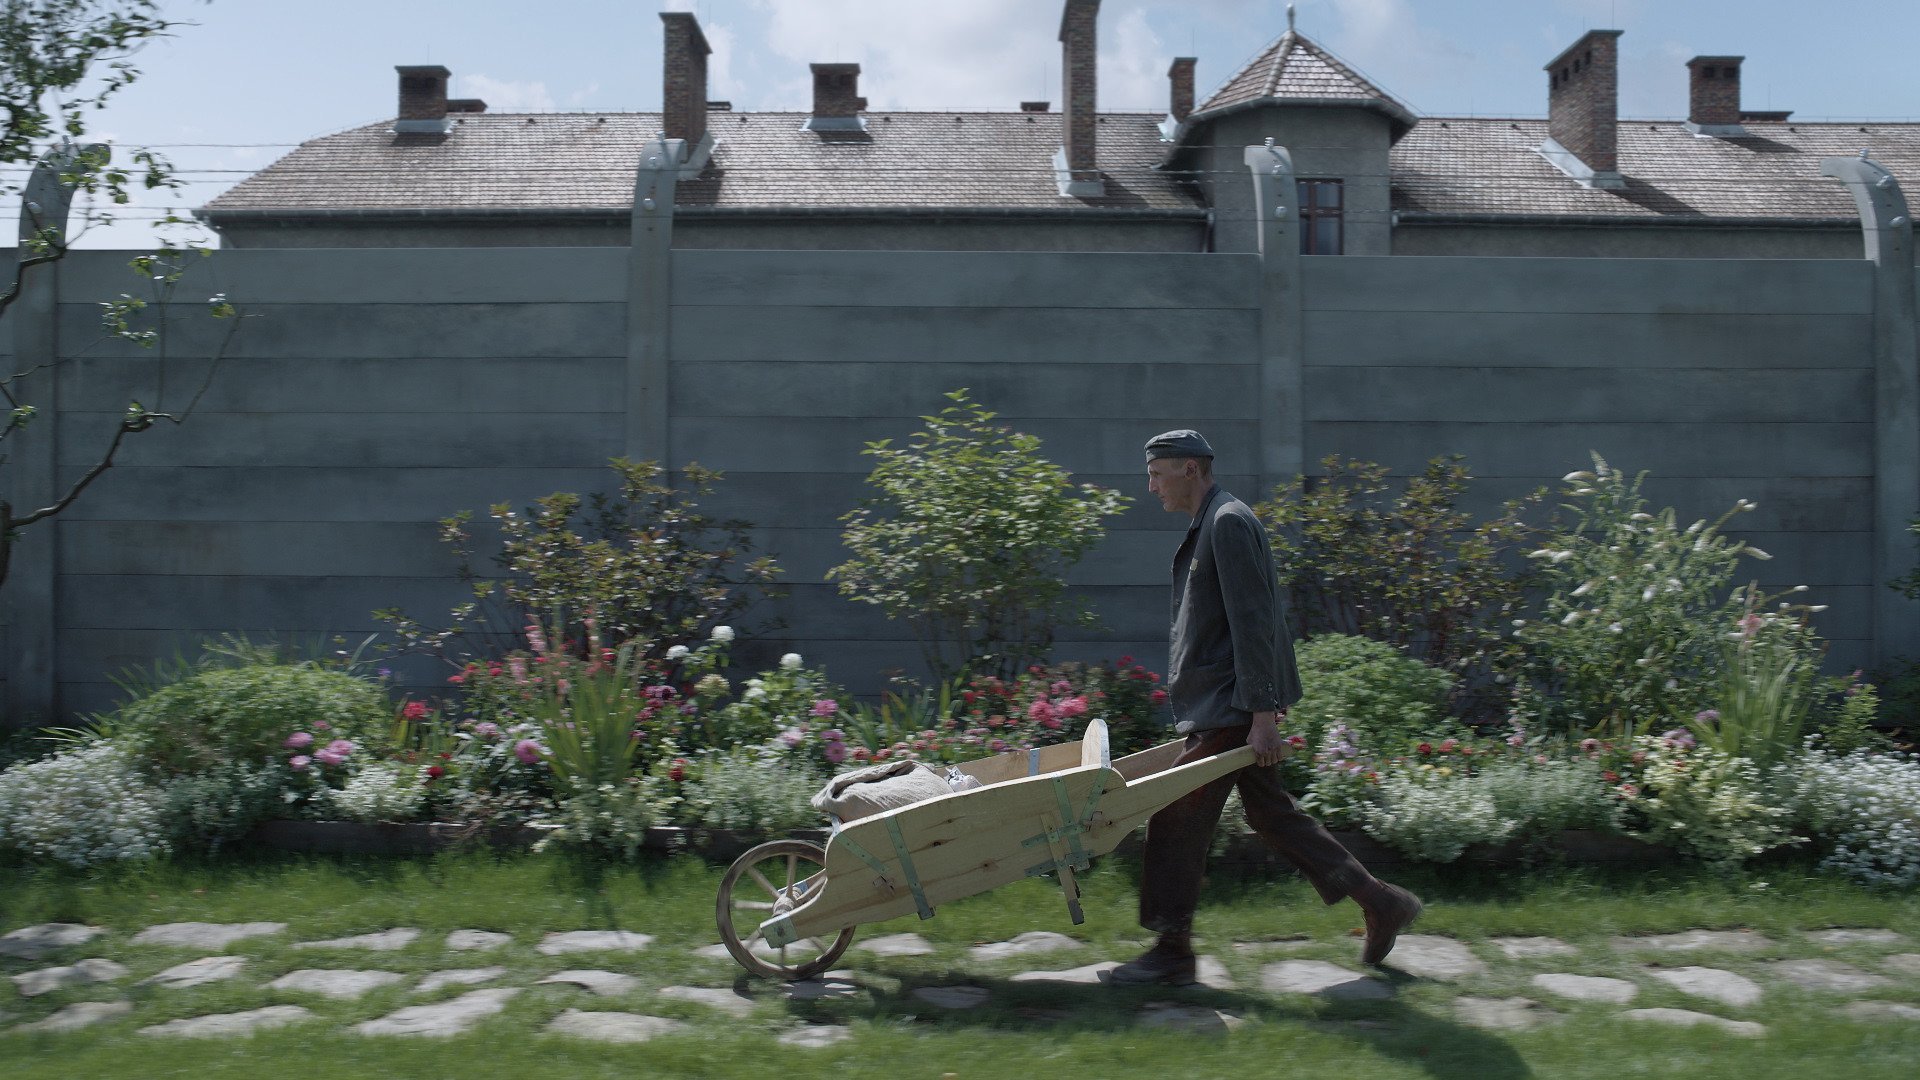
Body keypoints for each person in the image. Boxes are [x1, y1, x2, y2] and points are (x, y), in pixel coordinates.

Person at [1109, 429, 1423, 986]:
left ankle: (1171, 952)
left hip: (1231, 707)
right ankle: (1380, 901)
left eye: (1157, 473)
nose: (1150, 485)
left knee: (1175, 819)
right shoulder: (1212, 521)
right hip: (1224, 704)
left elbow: (1254, 624)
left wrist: (1260, 715)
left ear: (1190, 469)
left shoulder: (1226, 522)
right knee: (1272, 815)